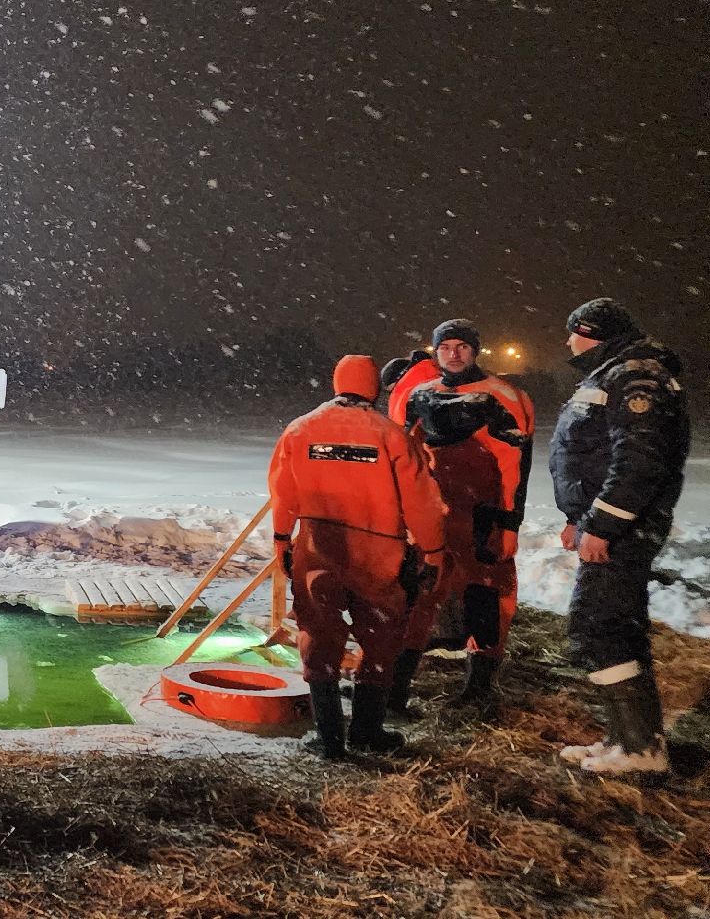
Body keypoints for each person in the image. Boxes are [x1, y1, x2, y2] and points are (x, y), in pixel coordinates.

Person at [269, 355, 448, 759]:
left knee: (317, 633)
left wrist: (282, 539)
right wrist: (433, 551)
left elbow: (284, 494)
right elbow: (423, 503)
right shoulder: (391, 435)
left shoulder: (301, 430)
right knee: (382, 635)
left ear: (337, 383)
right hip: (380, 551)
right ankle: (368, 730)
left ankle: (329, 737)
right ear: (373, 388)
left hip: (319, 546)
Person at [549, 298, 690, 776]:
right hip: (610, 524)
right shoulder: (614, 373)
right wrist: (578, 517)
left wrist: (603, 526)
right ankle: (629, 739)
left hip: (623, 530)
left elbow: (638, 462)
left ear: (592, 332)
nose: (568, 343)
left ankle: (639, 751)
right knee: (616, 627)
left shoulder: (634, 378)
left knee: (599, 627)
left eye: (573, 332)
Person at [388, 321, 535, 713]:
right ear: (435, 352)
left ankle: (478, 687)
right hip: (434, 516)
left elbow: (515, 465)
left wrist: (508, 522)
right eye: (446, 347)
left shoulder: (502, 396)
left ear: (476, 351)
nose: (454, 353)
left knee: (485, 596)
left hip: (481, 515)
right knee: (420, 592)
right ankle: (395, 681)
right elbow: (404, 454)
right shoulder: (421, 395)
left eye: (462, 346)